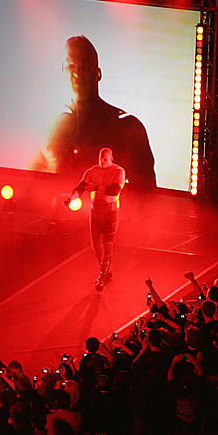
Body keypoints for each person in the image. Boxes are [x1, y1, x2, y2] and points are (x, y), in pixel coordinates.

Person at [36, 35, 156, 189]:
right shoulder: (52, 128)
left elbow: (148, 194)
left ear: (97, 73)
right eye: (71, 66)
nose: (77, 74)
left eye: (84, 67)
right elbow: (30, 184)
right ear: (63, 70)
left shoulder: (127, 127)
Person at [65, 147, 126, 291]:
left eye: (105, 158)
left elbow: (115, 189)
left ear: (111, 158)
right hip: (96, 211)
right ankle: (106, 271)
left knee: (107, 245)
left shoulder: (118, 171)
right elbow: (81, 187)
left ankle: (102, 277)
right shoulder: (92, 171)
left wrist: (97, 187)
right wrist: (70, 198)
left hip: (110, 211)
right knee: (96, 245)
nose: (103, 161)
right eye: (101, 158)